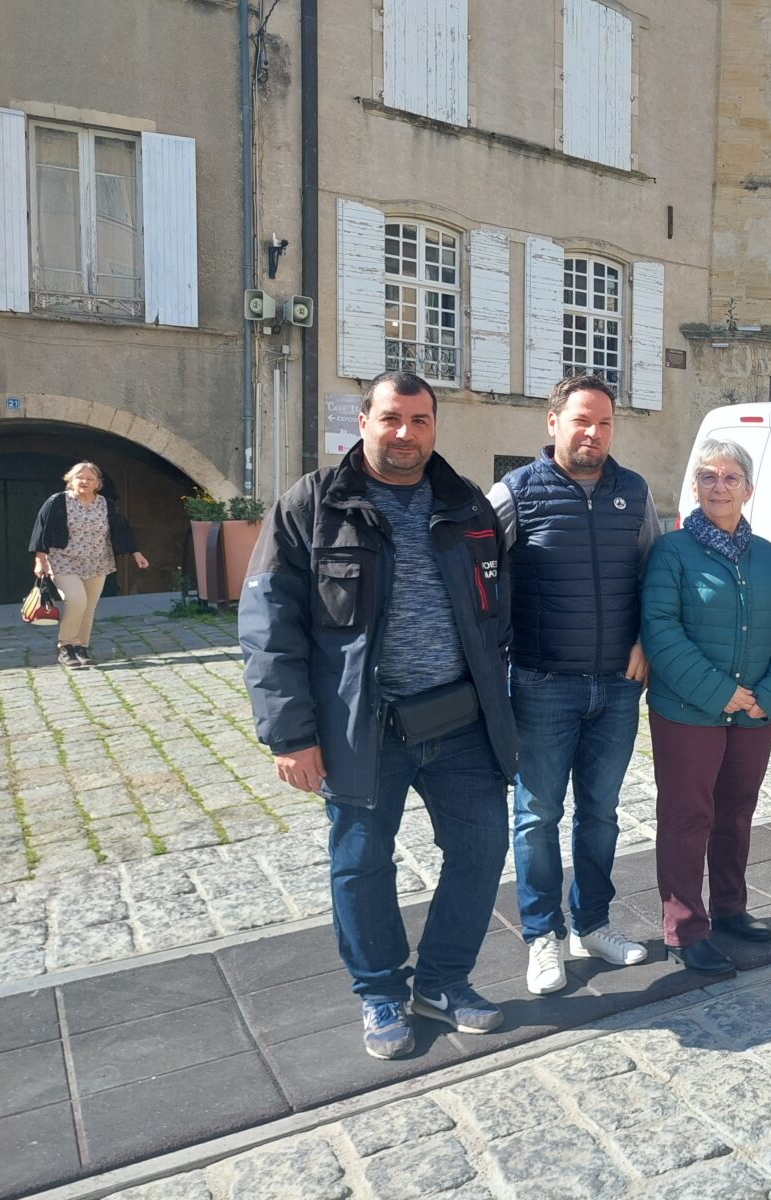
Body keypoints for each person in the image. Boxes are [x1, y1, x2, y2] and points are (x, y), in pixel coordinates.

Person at [239, 371, 516, 1058]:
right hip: (362, 727)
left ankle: (444, 981)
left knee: (482, 851)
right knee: (361, 863)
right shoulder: (312, 505)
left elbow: (497, 614)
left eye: (419, 421)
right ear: (363, 420)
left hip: (458, 722)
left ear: (434, 428)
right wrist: (291, 733)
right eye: (391, 418)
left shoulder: (468, 506)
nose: (405, 434)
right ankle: (381, 993)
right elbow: (267, 626)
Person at [487, 374, 658, 996]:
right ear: (552, 423)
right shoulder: (514, 494)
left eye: (605, 423)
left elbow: (653, 578)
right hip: (541, 684)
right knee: (536, 816)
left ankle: (593, 924)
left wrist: (643, 639)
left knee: (602, 815)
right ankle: (542, 936)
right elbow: (473, 571)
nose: (593, 433)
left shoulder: (632, 493)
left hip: (616, 687)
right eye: (582, 420)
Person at [640, 439, 771, 975]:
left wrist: (770, 697)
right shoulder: (672, 551)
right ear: (695, 487)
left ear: (748, 489)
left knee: (735, 814)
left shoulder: (768, 557)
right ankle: (683, 928)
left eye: (731, 478)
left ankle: (730, 909)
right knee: (687, 817)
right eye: (708, 477)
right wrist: (719, 691)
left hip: (753, 714)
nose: (719, 487)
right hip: (687, 710)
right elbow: (661, 632)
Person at [29, 462, 149, 668]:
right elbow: (42, 530)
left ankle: (81, 647)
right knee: (76, 601)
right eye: (80, 477)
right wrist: (40, 559)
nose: (84, 481)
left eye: (90, 479)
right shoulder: (57, 502)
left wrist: (135, 552)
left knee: (89, 607)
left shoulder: (106, 504)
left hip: (97, 562)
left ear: (97, 484)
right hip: (63, 560)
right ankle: (65, 646)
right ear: (71, 480)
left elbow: (121, 529)